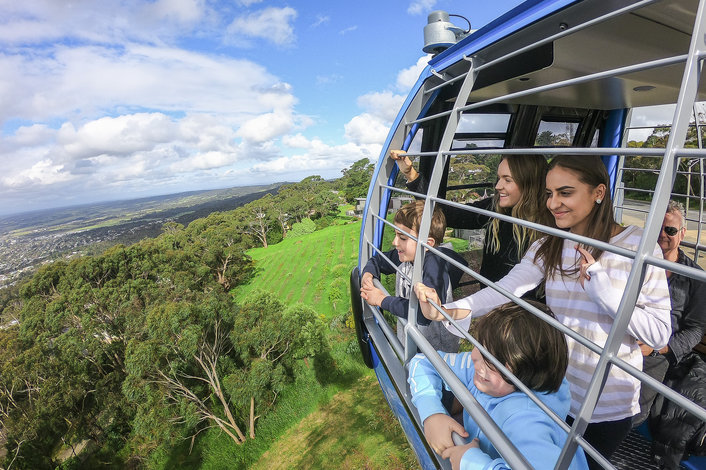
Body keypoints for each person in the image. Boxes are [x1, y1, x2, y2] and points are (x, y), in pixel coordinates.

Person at [414, 155, 672, 468]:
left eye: (565, 193)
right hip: (552, 392)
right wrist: (447, 310)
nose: (553, 204)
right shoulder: (550, 242)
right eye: (549, 194)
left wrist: (604, 293)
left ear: (599, 193)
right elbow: (507, 288)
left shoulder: (637, 247)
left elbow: (659, 334)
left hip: (605, 405)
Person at [408, 301, 589, 470]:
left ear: (526, 374)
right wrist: (432, 413)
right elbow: (424, 361)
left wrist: (471, 463)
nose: (474, 357)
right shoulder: (483, 369)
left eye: (493, 362)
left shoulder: (527, 422)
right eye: (479, 345)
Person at [390, 150, 551, 286]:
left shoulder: (551, 224)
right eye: (499, 178)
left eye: (507, 180)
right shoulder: (495, 208)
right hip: (491, 304)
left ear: (530, 183)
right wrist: (411, 174)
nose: (497, 186)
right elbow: (450, 214)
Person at [634, 200, 706, 426]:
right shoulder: (634, 262)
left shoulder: (694, 277)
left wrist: (660, 347)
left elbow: (696, 328)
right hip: (623, 339)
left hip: (658, 354)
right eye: (657, 228)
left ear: (682, 234)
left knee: (634, 412)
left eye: (670, 230)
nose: (662, 235)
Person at [361, 200, 468, 352]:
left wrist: (381, 300)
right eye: (396, 235)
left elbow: (424, 313)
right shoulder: (408, 255)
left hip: (435, 354)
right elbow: (377, 260)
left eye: (402, 238)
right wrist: (368, 274)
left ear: (428, 244)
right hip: (412, 343)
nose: (394, 242)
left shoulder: (435, 265)